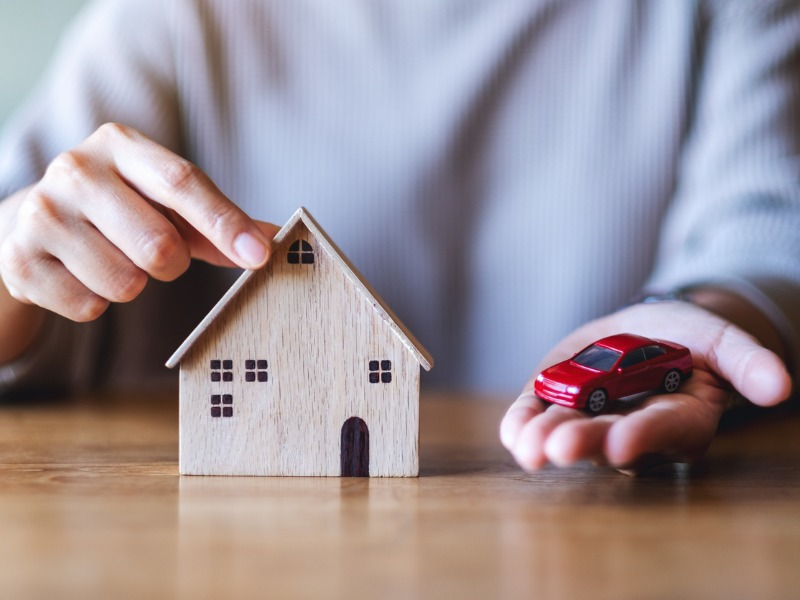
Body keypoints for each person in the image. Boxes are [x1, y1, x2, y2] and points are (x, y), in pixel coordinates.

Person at [0, 0, 798, 473]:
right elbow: (30, 238)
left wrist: (719, 310)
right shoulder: (172, 19)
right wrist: (13, 283)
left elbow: (766, 229)